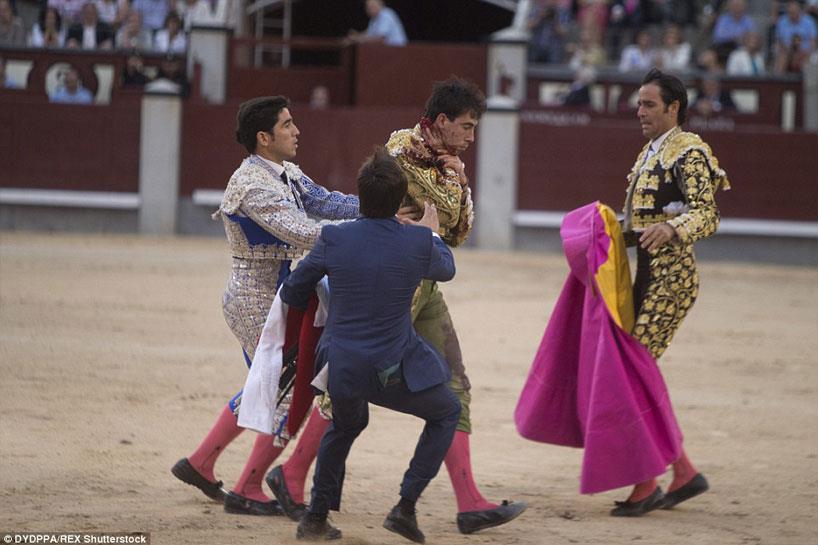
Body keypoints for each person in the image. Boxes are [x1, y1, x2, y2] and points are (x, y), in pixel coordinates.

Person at [268, 77, 527, 535]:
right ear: (442, 121)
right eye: (466, 126)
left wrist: (457, 180)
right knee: (347, 387)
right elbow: (437, 220)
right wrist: (451, 190)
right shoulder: (402, 150)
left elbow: (458, 229)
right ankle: (291, 475)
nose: (471, 137)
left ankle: (469, 501)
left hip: (423, 284)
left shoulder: (448, 163)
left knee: (455, 383)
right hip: (398, 282)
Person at [170, 96, 361, 516]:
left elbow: (327, 202)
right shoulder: (252, 185)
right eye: (287, 124)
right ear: (264, 137)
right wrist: (369, 230)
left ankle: (201, 462)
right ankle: (247, 487)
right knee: (286, 390)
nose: (297, 131)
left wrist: (377, 207)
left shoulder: (284, 172)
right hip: (254, 299)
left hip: (279, 294)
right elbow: (303, 232)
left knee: (272, 384)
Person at [289, 148, 461, 542]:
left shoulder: (334, 237)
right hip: (390, 369)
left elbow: (296, 288)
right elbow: (446, 269)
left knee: (347, 423)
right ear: (400, 200)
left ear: (361, 196)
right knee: (447, 411)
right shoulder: (417, 242)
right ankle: (405, 507)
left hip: (341, 365)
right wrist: (431, 232)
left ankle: (314, 518)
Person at [612, 67, 730, 515]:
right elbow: (643, 225)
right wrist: (605, 232)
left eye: (649, 105)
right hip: (647, 273)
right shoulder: (651, 152)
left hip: (672, 277)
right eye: (639, 104)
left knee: (631, 375)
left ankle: (648, 482)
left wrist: (673, 227)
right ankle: (682, 472)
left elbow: (707, 214)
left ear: (673, 108)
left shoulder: (689, 150)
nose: (639, 112)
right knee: (636, 374)